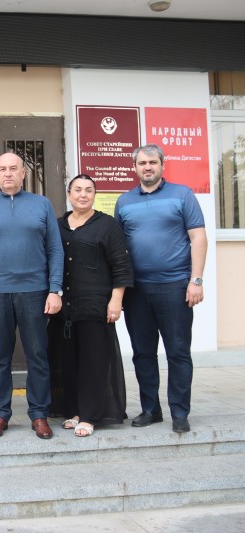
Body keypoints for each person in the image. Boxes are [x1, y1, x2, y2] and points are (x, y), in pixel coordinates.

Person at [0, 151, 63, 440]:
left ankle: (39, 414)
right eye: (2, 169)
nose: (8, 173)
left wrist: (55, 289)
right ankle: (0, 414)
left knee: (37, 355)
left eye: (13, 168)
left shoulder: (41, 204)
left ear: (23, 173)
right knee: (0, 357)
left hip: (35, 291)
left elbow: (55, 250)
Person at [115, 144, 208, 434]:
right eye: (142, 163)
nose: (147, 167)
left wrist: (196, 280)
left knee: (178, 352)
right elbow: (119, 248)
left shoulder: (182, 195)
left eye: (152, 162)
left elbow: (198, 238)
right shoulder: (124, 201)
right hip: (137, 291)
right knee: (142, 353)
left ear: (162, 165)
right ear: (135, 167)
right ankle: (150, 410)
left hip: (175, 287)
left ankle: (179, 412)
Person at [48, 174, 133, 437]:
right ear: (69, 194)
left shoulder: (107, 225)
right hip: (65, 309)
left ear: (94, 195)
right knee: (69, 362)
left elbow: (121, 265)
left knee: (93, 363)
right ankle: (75, 411)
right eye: (77, 190)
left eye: (88, 190)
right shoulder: (58, 225)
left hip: (96, 306)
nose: (83, 195)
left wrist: (116, 300)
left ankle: (90, 415)